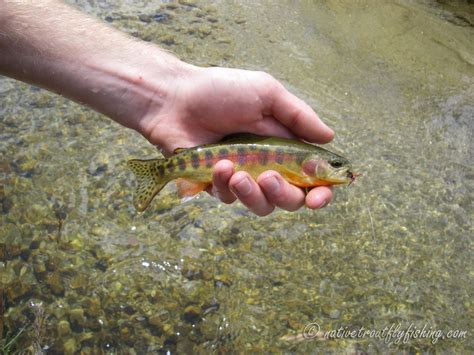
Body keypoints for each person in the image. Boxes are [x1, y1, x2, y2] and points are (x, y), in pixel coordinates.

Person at [0, 0, 335, 216]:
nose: (341, 172)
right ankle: (165, 172)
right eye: (335, 165)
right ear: (316, 162)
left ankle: (173, 173)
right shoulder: (301, 161)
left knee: (229, 179)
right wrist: (167, 94)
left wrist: (168, 94)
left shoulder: (303, 161)